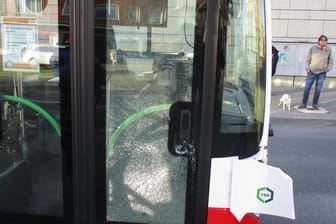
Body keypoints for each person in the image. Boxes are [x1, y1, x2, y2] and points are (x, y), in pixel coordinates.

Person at [298, 34, 334, 110]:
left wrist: (327, 69)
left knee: (318, 90)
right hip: (312, 72)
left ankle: (315, 104)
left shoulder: (329, 49)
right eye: (322, 40)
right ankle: (304, 103)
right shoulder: (313, 48)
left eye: (325, 40)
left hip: (322, 73)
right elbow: (308, 60)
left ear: (326, 41)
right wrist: (307, 69)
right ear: (319, 41)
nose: (323, 42)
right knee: (307, 88)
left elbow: (331, 62)